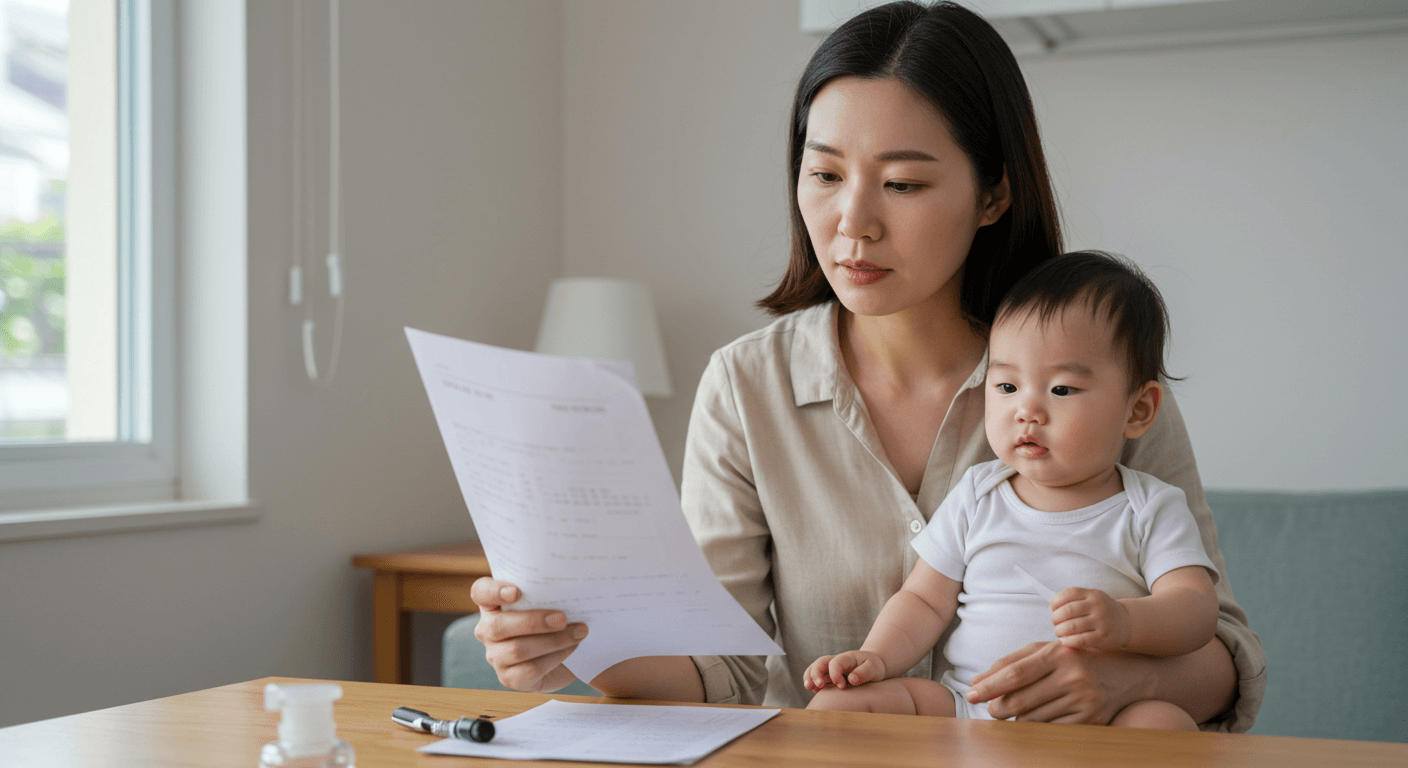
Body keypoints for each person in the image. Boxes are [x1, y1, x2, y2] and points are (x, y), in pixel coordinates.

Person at [470, 1, 1266, 730]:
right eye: (824, 175)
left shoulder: (1090, 380)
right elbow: (729, 668)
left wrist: (1125, 684)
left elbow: (1225, 654)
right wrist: (576, 649)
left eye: (902, 183)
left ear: (994, 195)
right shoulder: (748, 387)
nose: (853, 222)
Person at [804, 251, 1219, 730]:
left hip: (1094, 720)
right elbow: (922, 601)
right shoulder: (979, 494)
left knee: (1163, 723)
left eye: (1061, 390)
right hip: (968, 708)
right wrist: (876, 657)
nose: (1027, 410)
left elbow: (1195, 610)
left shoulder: (1149, 507)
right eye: (1005, 386)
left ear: (1139, 411)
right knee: (839, 706)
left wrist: (1127, 624)